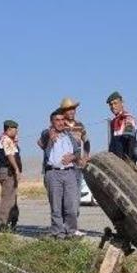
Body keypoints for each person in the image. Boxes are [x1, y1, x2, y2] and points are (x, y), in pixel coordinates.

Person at [42, 109, 82, 239]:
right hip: (53, 173)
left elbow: (77, 152)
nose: (60, 123)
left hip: (69, 172)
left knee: (71, 205)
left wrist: (72, 157)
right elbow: (42, 141)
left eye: (62, 120)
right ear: (52, 122)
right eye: (57, 120)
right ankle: (58, 232)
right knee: (56, 206)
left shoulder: (69, 135)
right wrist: (49, 139)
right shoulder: (47, 133)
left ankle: (71, 231)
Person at [59, 97, 88, 237]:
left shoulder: (80, 125)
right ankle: (63, 228)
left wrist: (86, 157)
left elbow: (86, 141)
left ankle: (72, 227)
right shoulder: (59, 126)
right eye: (68, 109)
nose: (71, 111)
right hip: (64, 168)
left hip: (77, 166)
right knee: (64, 197)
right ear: (63, 111)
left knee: (76, 197)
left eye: (73, 109)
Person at [0, 119, 22, 232]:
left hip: (10, 172)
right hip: (8, 172)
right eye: (15, 129)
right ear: (9, 129)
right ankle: (4, 224)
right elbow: (10, 155)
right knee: (7, 198)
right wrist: (16, 169)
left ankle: (12, 221)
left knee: (12, 198)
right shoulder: (6, 140)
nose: (17, 132)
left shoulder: (9, 140)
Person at [106, 91, 137, 163]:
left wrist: (129, 162)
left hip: (125, 162)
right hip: (115, 162)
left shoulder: (128, 118)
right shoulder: (113, 122)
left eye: (115, 103)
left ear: (122, 103)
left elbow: (131, 142)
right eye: (111, 104)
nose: (113, 106)